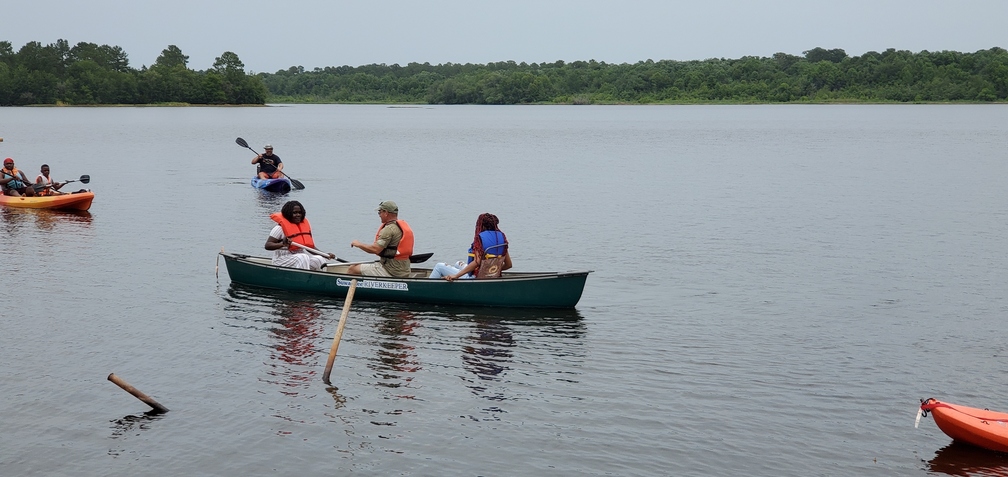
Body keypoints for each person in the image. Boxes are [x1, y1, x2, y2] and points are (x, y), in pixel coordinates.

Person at [429, 213, 512, 281]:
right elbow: (508, 265)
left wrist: (456, 276)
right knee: (458, 263)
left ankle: (429, 289)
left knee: (439, 266)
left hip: (475, 278)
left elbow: (477, 262)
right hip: (493, 275)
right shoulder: (502, 239)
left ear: (482, 226)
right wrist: (492, 271)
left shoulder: (479, 238)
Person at [348, 201, 414, 278]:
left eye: (380, 212)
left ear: (386, 212)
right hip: (404, 270)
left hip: (390, 271)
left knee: (352, 269)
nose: (379, 215)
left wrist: (358, 244)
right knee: (362, 268)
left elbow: (375, 249)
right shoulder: (401, 227)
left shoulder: (388, 229)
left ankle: (348, 288)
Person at [265, 200, 335, 270]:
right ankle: (302, 279)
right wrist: (282, 244)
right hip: (281, 260)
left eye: (300, 213)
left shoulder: (303, 228)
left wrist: (325, 255)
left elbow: (310, 248)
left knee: (319, 259)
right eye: (294, 213)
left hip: (299, 259)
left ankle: (320, 280)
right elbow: (268, 245)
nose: (298, 215)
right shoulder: (279, 228)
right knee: (303, 257)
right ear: (288, 213)